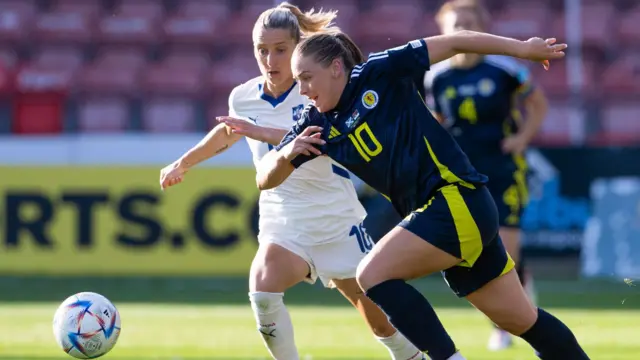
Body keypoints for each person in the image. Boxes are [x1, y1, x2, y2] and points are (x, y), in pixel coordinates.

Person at [256, 28, 590, 360]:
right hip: (448, 217)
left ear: (335, 67)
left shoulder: (381, 71)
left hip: (457, 198)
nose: (302, 90)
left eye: (306, 77)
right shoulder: (314, 124)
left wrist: (521, 48)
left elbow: (456, 41)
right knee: (523, 320)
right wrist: (286, 154)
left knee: (371, 274)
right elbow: (265, 180)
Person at [159, 3, 424, 360]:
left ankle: (413, 356)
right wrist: (184, 162)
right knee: (263, 292)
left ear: (298, 47)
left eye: (280, 50)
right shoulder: (244, 96)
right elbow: (227, 132)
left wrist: (257, 129)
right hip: (282, 217)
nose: (270, 59)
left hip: (334, 216)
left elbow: (325, 139)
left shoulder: (320, 89)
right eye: (261, 50)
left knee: (376, 315)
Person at [424, 0, 547, 350]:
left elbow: (538, 104)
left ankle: (515, 327)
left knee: (506, 251)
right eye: (455, 22)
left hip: (503, 169)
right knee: (482, 253)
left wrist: (522, 138)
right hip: (462, 173)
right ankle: (511, 319)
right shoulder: (437, 75)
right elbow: (437, 121)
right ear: (443, 29)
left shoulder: (504, 68)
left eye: (468, 21)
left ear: (480, 27)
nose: (461, 27)